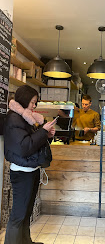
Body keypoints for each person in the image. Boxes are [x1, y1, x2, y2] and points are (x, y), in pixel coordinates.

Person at [4, 85, 55, 244]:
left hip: (31, 169)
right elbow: (25, 147)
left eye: (35, 103)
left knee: (26, 212)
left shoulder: (26, 117)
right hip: (21, 172)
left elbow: (35, 143)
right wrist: (42, 131)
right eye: (33, 102)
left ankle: (25, 241)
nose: (34, 106)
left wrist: (47, 135)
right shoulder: (14, 118)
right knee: (19, 214)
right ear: (25, 100)